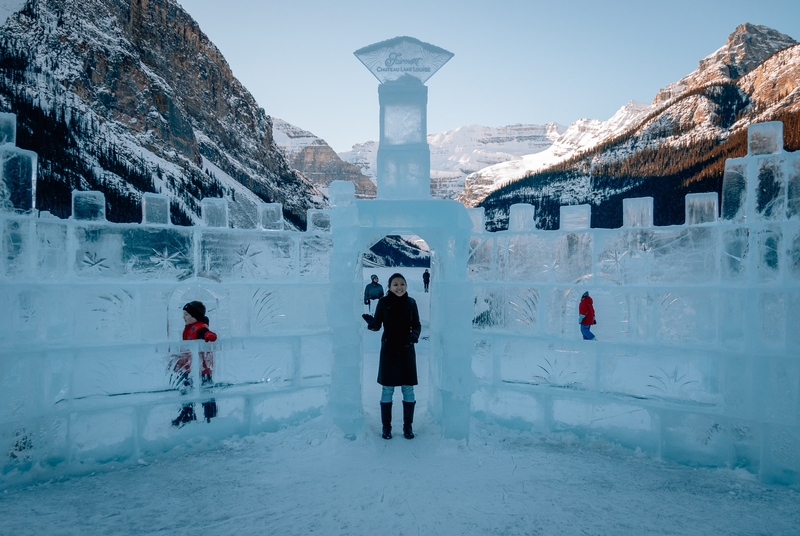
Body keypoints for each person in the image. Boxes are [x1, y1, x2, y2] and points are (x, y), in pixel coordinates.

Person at [362, 273, 421, 440]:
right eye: (395, 284)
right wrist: (371, 324)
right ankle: (386, 427)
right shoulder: (383, 302)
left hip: (407, 349)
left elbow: (416, 324)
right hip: (388, 349)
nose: (399, 287)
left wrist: (415, 334)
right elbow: (377, 325)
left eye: (402, 283)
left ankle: (408, 427)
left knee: (407, 388)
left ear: (406, 286)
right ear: (389, 287)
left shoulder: (411, 303)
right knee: (387, 388)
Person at [171, 301, 218, 427]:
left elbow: (206, 334)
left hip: (202, 368)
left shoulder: (200, 327)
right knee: (186, 390)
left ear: (194, 316)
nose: (183, 317)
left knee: (206, 390)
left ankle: (210, 415)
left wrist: (210, 336)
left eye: (186, 314)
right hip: (188, 368)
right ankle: (187, 414)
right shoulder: (188, 328)